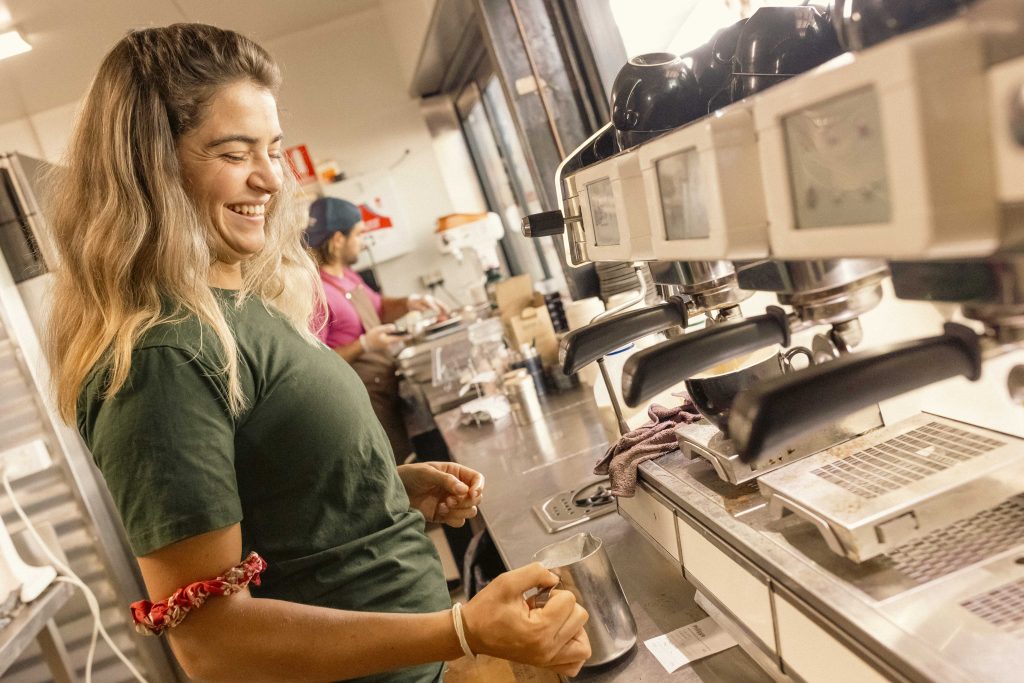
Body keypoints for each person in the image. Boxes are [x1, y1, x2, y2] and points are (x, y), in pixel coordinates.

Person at [45, 23, 589, 683]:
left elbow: (273, 511)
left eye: (272, 148)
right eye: (234, 151)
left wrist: (373, 492)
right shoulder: (164, 354)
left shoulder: (236, 306)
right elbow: (213, 644)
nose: (270, 177)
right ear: (154, 168)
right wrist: (461, 627)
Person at [305, 197, 443, 462]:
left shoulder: (348, 276)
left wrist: (410, 302)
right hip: (364, 406)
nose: (363, 242)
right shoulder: (315, 291)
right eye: (358, 234)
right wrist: (364, 345)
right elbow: (316, 364)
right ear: (337, 240)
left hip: (386, 393)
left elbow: (378, 307)